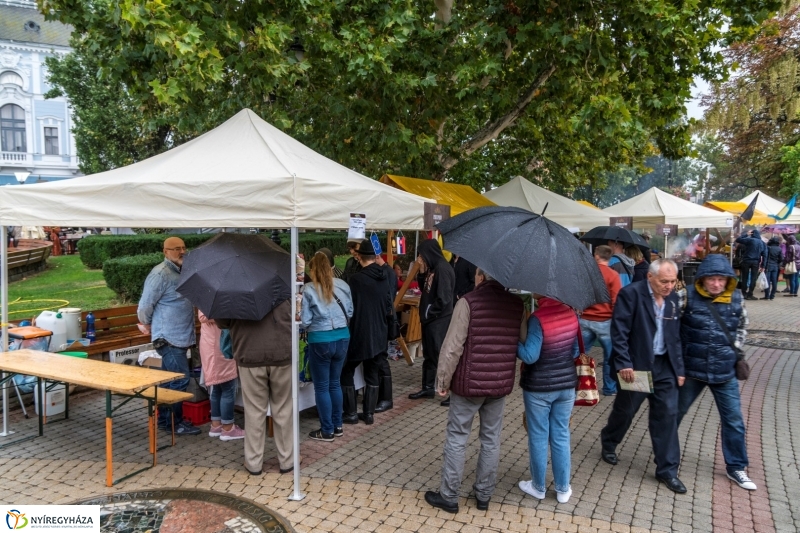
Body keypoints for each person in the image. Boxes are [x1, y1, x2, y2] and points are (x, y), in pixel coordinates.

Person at [424, 269, 525, 514]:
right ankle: (484, 495)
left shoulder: (467, 303)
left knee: (457, 437)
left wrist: (442, 381)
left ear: (480, 277)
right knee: (491, 439)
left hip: (468, 385)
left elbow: (452, 347)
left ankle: (449, 496)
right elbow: (522, 338)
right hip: (499, 384)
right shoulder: (517, 305)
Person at [600, 259, 687, 493]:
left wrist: (680, 369)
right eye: (664, 281)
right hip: (637, 365)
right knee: (626, 411)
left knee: (667, 416)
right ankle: (609, 440)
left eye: (673, 281)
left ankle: (667, 470)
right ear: (650, 277)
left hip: (665, 367)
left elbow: (675, 336)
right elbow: (619, 332)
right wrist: (624, 363)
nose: (669, 286)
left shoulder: (673, 299)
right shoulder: (631, 294)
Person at [677, 254, 756, 491]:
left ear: (728, 280)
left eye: (721, 279)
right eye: (711, 279)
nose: (716, 284)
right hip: (691, 370)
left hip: (724, 371)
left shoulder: (737, 298)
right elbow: (671, 328)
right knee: (674, 413)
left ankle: (736, 466)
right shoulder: (685, 295)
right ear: (702, 278)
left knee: (734, 420)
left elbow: (742, 326)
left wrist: (735, 348)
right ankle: (666, 454)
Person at [217, 298, 294, 475]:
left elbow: (222, 322)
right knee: (283, 409)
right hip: (281, 351)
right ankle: (287, 460)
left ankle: (253, 462)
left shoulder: (235, 291)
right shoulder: (282, 287)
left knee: (254, 411)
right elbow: (297, 315)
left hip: (249, 352)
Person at [517, 296, 580, 504]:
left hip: (539, 387)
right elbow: (575, 351)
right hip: (566, 386)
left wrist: (515, 342)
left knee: (538, 436)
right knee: (561, 435)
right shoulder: (571, 314)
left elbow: (530, 356)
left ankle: (538, 487)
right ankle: (563, 489)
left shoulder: (538, 318)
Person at [137, 237, 201, 436]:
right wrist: (146, 323)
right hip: (168, 338)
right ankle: (176, 423)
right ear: (165, 252)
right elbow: (145, 305)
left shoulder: (182, 271)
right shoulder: (160, 274)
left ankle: (166, 422)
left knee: (167, 381)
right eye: (176, 249)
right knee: (180, 380)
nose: (181, 252)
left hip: (179, 337)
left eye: (183, 248)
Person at [301, 252, 353, 441]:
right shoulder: (343, 285)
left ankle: (327, 430)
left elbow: (305, 321)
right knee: (335, 383)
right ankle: (337, 426)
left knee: (322, 387)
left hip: (320, 340)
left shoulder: (308, 289)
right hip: (343, 337)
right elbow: (350, 311)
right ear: (331, 267)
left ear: (312, 269)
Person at [341, 239, 392, 425]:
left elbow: (350, 307)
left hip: (361, 331)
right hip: (380, 331)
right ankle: (369, 414)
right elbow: (388, 305)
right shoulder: (384, 276)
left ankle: (351, 413)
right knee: (372, 372)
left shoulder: (357, 280)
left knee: (346, 370)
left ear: (360, 256)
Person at [409, 239, 455, 400]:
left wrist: (429, 312)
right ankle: (427, 388)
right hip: (430, 320)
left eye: (422, 255)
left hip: (439, 320)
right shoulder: (433, 268)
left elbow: (444, 298)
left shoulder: (442, 269)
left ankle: (451, 392)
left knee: (440, 355)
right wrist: (422, 273)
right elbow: (426, 289)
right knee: (429, 355)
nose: (420, 258)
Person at [580, 245, 622, 396]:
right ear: (609, 257)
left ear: (596, 256)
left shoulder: (586, 273)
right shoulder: (613, 275)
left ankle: (575, 384)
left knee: (579, 354)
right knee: (610, 357)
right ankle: (609, 388)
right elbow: (617, 301)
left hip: (585, 319)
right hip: (606, 321)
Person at [198, 310, 243, 441]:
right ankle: (228, 428)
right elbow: (203, 317)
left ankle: (216, 425)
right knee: (228, 387)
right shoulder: (215, 301)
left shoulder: (206, 298)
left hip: (213, 344)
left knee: (217, 387)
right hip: (219, 346)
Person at [374, 252, 397, 414]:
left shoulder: (388, 273)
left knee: (381, 360)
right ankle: (380, 396)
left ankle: (386, 398)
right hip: (382, 321)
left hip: (383, 321)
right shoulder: (386, 272)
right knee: (379, 360)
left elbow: (388, 299)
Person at [734, 229, 767, 300]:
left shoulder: (750, 240)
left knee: (744, 277)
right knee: (753, 278)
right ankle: (750, 294)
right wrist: (763, 266)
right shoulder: (762, 243)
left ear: (752, 234)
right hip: (756, 262)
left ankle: (744, 293)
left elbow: (738, 239)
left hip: (746, 260)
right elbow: (765, 255)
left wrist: (746, 234)